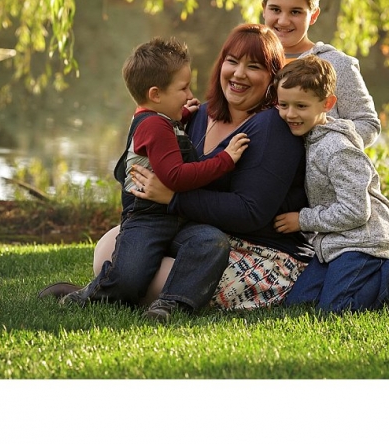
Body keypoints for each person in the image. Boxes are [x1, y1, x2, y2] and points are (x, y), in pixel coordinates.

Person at [100, 23, 315, 310]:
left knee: (157, 274)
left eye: (254, 66)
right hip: (202, 231)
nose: (239, 74)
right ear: (220, 64)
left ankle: (164, 302)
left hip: (261, 251)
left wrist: (173, 198)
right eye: (232, 61)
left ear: (273, 78)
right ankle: (111, 289)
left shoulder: (272, 126)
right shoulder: (198, 114)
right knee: (110, 245)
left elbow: (250, 213)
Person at [38, 37, 249, 322]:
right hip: (147, 220)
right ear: (156, 94)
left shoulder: (162, 119)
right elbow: (176, 176)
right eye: (183, 88)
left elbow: (170, 137)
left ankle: (171, 304)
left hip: (179, 219)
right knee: (130, 277)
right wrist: (224, 159)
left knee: (211, 242)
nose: (189, 95)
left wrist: (184, 114)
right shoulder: (153, 125)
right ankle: (84, 295)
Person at [272, 55, 389, 313]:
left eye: (301, 106)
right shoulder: (310, 138)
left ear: (327, 104)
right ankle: (362, 278)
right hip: (334, 243)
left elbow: (356, 211)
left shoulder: (338, 150)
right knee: (298, 304)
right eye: (283, 105)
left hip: (362, 241)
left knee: (336, 309)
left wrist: (303, 220)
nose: (290, 114)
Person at [261, 0, 381, 148]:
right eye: (275, 9)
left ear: (313, 15)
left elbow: (368, 123)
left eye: (295, 12)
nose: (283, 20)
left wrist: (323, 143)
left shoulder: (336, 64)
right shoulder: (252, 62)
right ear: (264, 9)